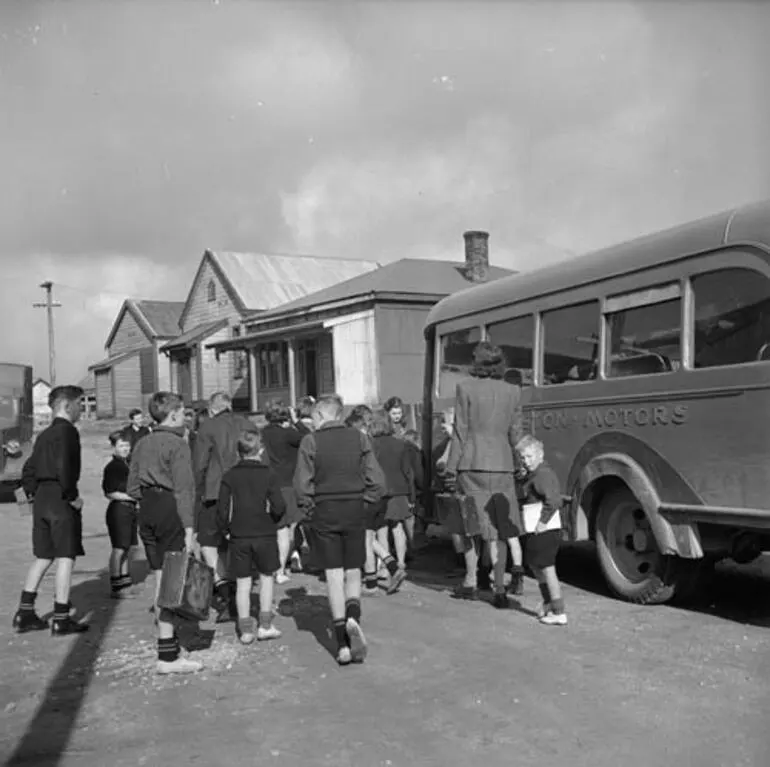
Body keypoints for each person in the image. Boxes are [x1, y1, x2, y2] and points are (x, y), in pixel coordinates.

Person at [293, 394, 386, 666]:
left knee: (333, 575)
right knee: (353, 569)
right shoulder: (359, 438)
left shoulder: (310, 441)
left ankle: (341, 643)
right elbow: (378, 482)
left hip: (325, 510)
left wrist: (309, 509)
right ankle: (354, 615)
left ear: (320, 416)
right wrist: (366, 502)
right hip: (355, 507)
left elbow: (302, 485)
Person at [445, 341, 526, 605]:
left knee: (470, 526)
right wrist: (526, 461)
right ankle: (500, 588)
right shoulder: (513, 391)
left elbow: (460, 431)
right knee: (500, 530)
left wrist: (450, 468)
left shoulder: (465, 388)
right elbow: (516, 434)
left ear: (476, 363)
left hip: (471, 464)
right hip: (502, 464)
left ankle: (470, 582)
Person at [127, 391, 202, 674]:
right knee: (172, 580)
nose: (185, 418)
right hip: (170, 506)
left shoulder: (142, 443)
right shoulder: (177, 444)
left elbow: (132, 485)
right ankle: (168, 658)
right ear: (172, 415)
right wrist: (189, 527)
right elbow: (185, 488)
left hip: (146, 507)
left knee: (160, 575)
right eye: (183, 413)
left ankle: (166, 643)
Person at [12, 385, 88, 636]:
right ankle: (61, 617)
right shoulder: (68, 433)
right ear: (67, 405)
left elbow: (28, 471)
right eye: (79, 403)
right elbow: (66, 468)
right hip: (59, 497)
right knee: (66, 556)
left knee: (43, 556)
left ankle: (24, 613)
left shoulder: (43, 435)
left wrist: (30, 497)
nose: (81, 408)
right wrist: (73, 497)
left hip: (42, 499)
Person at [218, 429, 286, 644]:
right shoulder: (269, 474)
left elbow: (222, 508)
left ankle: (245, 629)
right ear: (261, 450)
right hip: (264, 531)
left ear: (238, 452)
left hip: (239, 533)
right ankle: (265, 625)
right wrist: (272, 518)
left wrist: (226, 529)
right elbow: (279, 505)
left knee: (243, 582)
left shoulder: (229, 476)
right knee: (266, 578)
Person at [193, 391, 251, 619]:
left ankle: (225, 590)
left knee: (207, 542)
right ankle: (239, 589)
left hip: (215, 491)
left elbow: (199, 465)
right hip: (245, 490)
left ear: (212, 409)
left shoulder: (208, 427)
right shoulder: (247, 423)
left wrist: (196, 494)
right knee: (235, 541)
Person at [346, 406, 402, 596]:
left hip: (367, 495)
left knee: (365, 538)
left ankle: (371, 582)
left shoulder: (360, 445)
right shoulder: (374, 442)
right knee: (372, 536)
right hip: (383, 494)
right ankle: (393, 566)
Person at [516, 435, 567, 625]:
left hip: (545, 529)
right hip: (536, 528)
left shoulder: (543, 475)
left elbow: (554, 500)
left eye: (530, 457)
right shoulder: (534, 474)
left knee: (547, 568)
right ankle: (548, 603)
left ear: (540, 455)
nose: (526, 461)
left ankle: (558, 611)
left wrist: (543, 521)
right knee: (537, 566)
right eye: (523, 458)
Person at [261, 399, 305, 583]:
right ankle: (279, 569)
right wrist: (297, 421)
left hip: (267, 484)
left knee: (275, 528)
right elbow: (309, 436)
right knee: (288, 529)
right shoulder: (289, 434)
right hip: (287, 484)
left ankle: (275, 567)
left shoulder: (262, 433)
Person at [369, 413, 412, 593]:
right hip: (400, 489)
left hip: (380, 491)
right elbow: (408, 471)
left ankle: (385, 568)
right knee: (398, 527)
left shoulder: (371, 444)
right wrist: (412, 496)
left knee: (381, 530)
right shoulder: (401, 444)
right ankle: (400, 562)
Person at [102, 430, 138, 599]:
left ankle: (125, 582)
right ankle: (116, 584)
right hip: (119, 510)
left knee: (127, 548)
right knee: (118, 548)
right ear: (114, 447)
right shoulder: (113, 467)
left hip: (130, 510)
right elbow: (109, 492)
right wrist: (131, 497)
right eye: (121, 445)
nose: (125, 448)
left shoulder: (127, 464)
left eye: (127, 445)